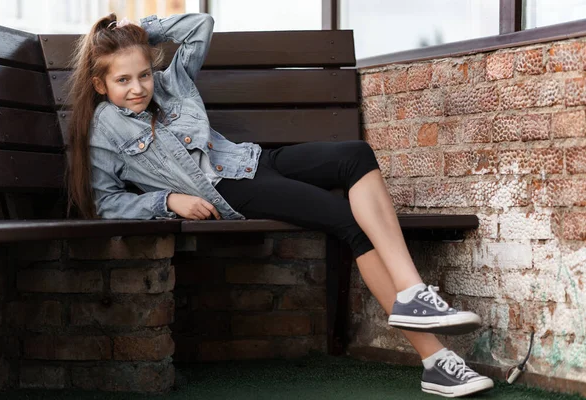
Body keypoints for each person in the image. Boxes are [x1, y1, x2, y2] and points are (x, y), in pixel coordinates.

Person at [66, 12, 494, 398]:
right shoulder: (105, 128)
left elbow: (200, 26)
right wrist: (169, 200)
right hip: (229, 192)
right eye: (123, 81)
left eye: (143, 75)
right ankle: (435, 361)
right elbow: (106, 202)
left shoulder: (170, 81)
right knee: (350, 225)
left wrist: (139, 32)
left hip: (253, 161)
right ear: (101, 84)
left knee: (355, 155)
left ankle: (413, 292)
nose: (138, 87)